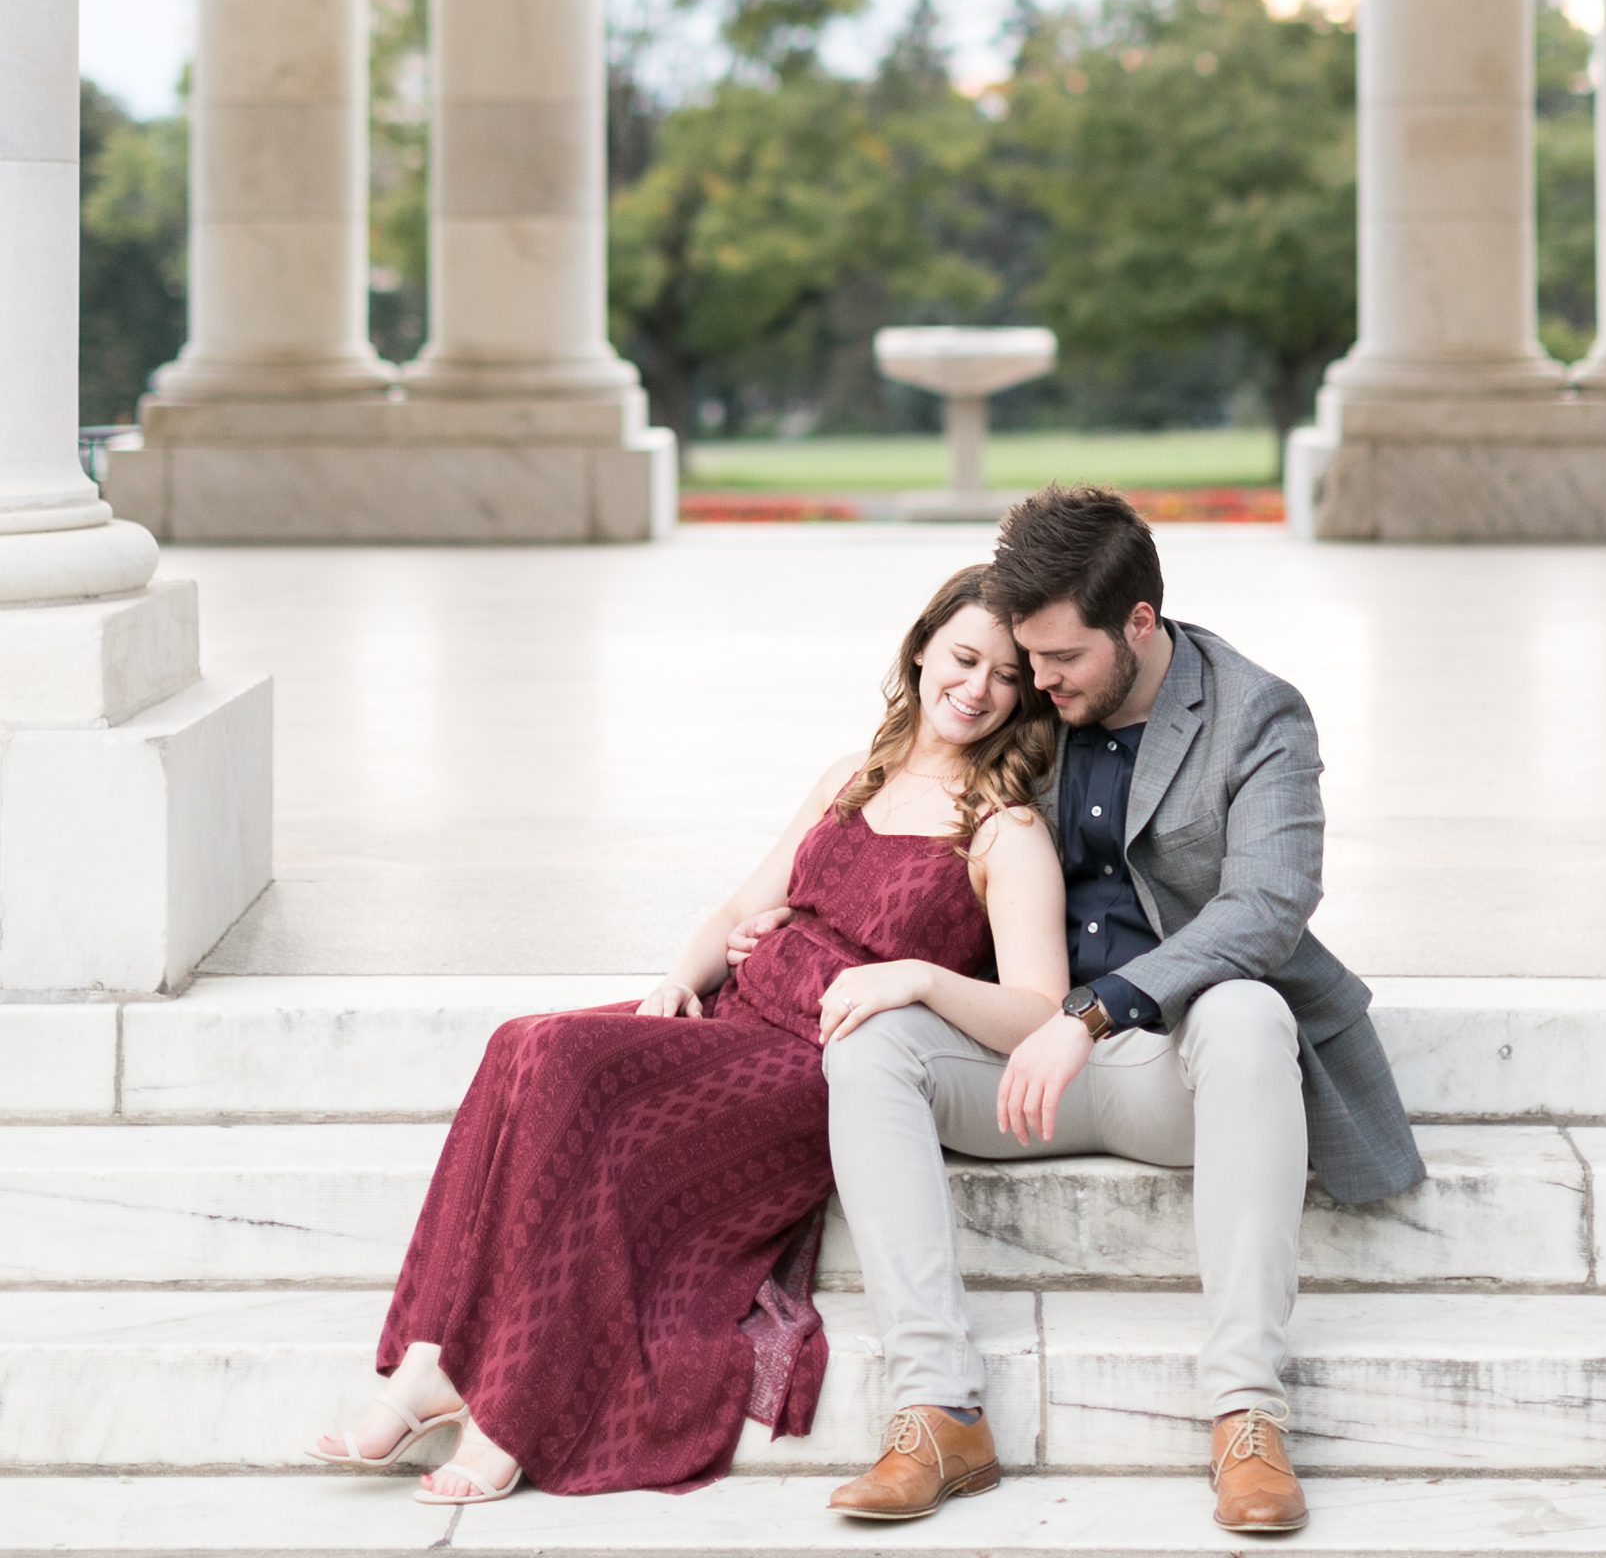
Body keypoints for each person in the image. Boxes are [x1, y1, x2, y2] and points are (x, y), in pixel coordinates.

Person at [311, 567, 1065, 1503]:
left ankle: (513, 1412)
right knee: (523, 1042)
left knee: (569, 1068)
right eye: (962, 657)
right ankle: (432, 1360)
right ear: (920, 649)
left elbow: (1039, 1008)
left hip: (814, 1065)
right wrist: (678, 977)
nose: (977, 687)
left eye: (1005, 675)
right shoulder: (852, 775)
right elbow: (748, 905)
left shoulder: (1004, 830)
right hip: (736, 1013)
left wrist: (918, 977)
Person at [813, 485, 1424, 1532]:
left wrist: (1090, 1017)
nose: (1033, 684)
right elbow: (897, 806)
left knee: (1246, 1011)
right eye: (1026, 659)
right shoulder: (1037, 701)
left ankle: (1245, 1416)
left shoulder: (1256, 713)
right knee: (873, 1047)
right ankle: (937, 1410)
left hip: (1168, 1063)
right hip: (1013, 1061)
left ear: (1138, 624)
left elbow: (1267, 905)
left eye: (1058, 660)